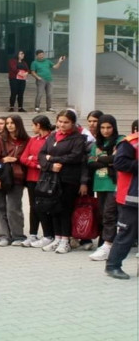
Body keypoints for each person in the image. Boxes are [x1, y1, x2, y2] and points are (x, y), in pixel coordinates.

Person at [38, 110, 87, 254]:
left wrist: (51, 159)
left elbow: (75, 157)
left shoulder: (78, 138)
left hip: (68, 179)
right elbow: (41, 154)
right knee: (53, 208)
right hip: (51, 178)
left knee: (65, 210)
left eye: (66, 122)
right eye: (60, 121)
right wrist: (50, 166)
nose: (62, 125)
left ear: (73, 123)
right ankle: (57, 238)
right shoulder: (52, 136)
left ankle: (66, 240)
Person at [0, 115, 30, 246]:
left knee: (13, 208)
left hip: (17, 178)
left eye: (12, 123)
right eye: (7, 123)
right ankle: (4, 236)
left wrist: (16, 160)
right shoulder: (0, 139)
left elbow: (29, 157)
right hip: (0, 177)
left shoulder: (27, 140)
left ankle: (18, 235)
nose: (9, 125)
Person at [88, 115, 124, 261]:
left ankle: (109, 246)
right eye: (102, 127)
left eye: (108, 127)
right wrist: (106, 161)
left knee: (110, 214)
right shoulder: (97, 143)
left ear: (114, 127)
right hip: (100, 183)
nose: (105, 131)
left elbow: (117, 159)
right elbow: (90, 162)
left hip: (114, 184)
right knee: (103, 214)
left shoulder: (120, 141)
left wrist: (100, 159)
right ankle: (107, 243)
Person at [104, 131, 138, 279]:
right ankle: (113, 266)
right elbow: (119, 163)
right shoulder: (130, 142)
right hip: (131, 197)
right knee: (127, 233)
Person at [20, 115, 54, 248]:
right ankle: (33, 234)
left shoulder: (51, 139)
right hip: (32, 178)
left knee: (45, 207)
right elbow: (23, 158)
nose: (32, 127)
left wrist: (34, 159)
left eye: (33, 125)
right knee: (33, 207)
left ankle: (48, 235)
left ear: (39, 125)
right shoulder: (33, 140)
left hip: (46, 179)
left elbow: (47, 158)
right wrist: (36, 163)